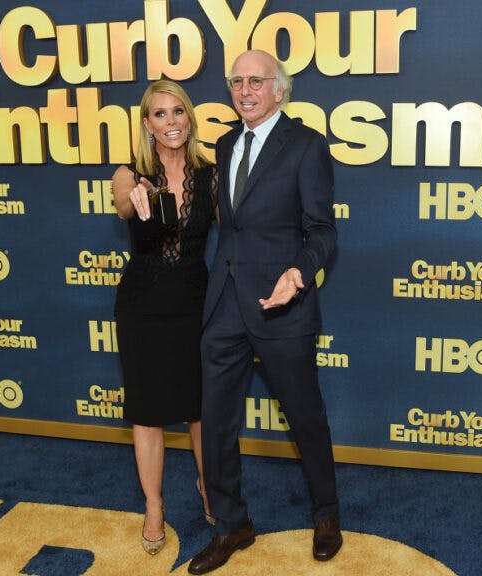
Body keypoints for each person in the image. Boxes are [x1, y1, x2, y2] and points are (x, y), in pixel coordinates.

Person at [188, 50, 341, 575]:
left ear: (280, 89)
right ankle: (231, 525)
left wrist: (298, 273)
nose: (245, 90)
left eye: (257, 81)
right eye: (237, 81)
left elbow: (323, 232)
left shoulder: (306, 146)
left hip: (282, 307)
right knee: (217, 424)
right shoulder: (226, 143)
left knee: (305, 417)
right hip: (225, 304)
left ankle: (326, 514)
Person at [112, 79, 217, 556]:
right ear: (146, 123)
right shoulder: (130, 174)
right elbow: (119, 201)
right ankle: (154, 507)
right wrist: (133, 199)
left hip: (197, 301)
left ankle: (208, 486)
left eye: (179, 111)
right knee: (148, 412)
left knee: (201, 408)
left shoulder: (212, 175)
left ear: (189, 118)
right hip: (144, 305)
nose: (171, 121)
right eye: (160, 113)